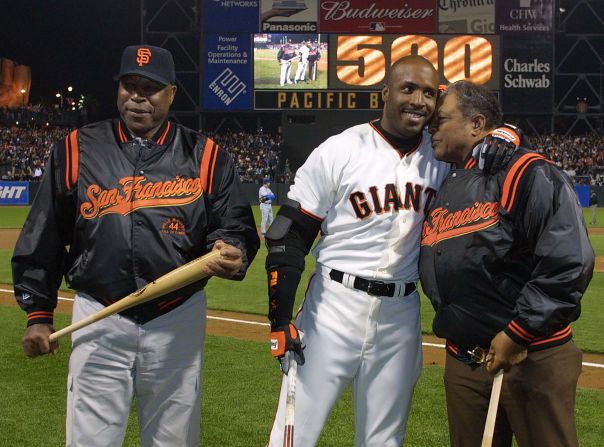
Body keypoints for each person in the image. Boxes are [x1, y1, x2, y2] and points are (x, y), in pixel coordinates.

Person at [12, 44, 260, 447]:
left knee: (173, 439)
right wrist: (38, 312)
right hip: (100, 314)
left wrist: (229, 248)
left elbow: (234, 223)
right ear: (118, 88)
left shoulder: (205, 155)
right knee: (90, 439)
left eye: (152, 88)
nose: (138, 96)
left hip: (175, 317)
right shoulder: (78, 148)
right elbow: (45, 234)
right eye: (130, 85)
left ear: (172, 93)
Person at [264, 55, 449, 447]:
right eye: (408, 88)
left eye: (429, 93)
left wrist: (506, 136)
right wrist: (279, 317)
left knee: (385, 440)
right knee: (293, 434)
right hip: (332, 306)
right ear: (385, 93)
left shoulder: (442, 157)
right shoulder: (342, 148)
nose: (419, 100)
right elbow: (289, 235)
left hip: (400, 311)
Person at [420, 80, 594, 447]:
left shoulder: (526, 171)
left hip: (531, 357)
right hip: (465, 360)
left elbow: (568, 261)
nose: (430, 127)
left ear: (477, 124)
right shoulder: (446, 180)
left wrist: (518, 332)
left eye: (441, 119)